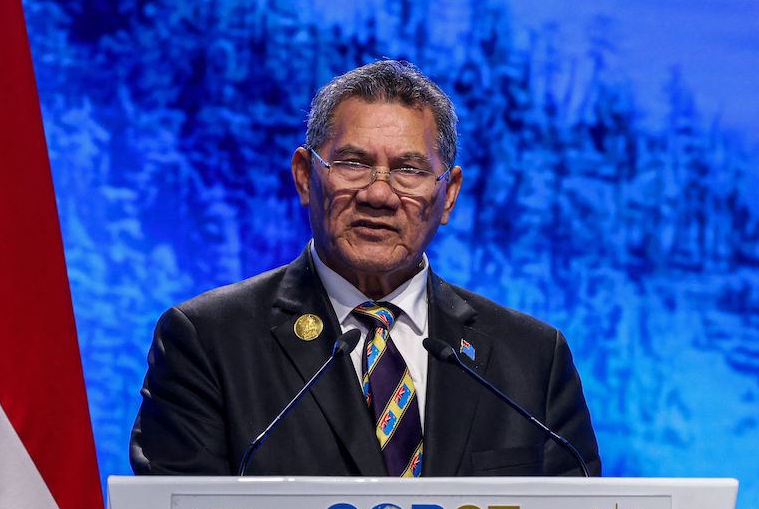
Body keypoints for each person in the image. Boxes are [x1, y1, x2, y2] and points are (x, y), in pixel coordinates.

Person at [130, 60, 600, 478]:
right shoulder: (209, 342)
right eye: (352, 164)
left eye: (409, 170)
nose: (378, 194)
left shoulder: (532, 359)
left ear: (448, 195)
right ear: (304, 177)